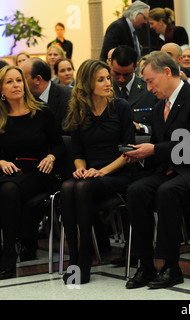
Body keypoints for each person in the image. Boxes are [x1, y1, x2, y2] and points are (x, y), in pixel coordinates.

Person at [123, 51, 190, 290]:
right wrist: (138, 156)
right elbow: (159, 150)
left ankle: (171, 265)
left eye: (150, 81)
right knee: (136, 190)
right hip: (172, 169)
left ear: (167, 72)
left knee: (167, 192)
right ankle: (145, 263)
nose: (148, 88)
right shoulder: (160, 107)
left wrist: (153, 149)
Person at [60, 59, 135, 285]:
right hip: (92, 173)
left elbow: (128, 152)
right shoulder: (78, 110)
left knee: (82, 188)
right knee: (67, 186)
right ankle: (74, 257)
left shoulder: (120, 106)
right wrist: (81, 170)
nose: (107, 83)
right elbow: (77, 153)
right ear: (86, 83)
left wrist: (101, 172)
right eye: (100, 80)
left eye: (107, 78)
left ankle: (83, 260)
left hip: (118, 171)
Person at [0, 65, 64, 279]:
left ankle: (8, 256)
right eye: (9, 81)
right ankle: (21, 241)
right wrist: (0, 161)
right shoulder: (0, 116)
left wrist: (51, 157)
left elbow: (58, 145)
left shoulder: (41, 111)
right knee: (7, 188)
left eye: (18, 80)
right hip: (8, 171)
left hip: (37, 171)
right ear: (1, 88)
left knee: (8, 191)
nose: (16, 85)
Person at [110, 45, 158, 136]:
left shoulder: (150, 90)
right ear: (110, 65)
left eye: (126, 74)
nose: (121, 79)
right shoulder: (104, 90)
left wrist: (141, 128)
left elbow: (162, 129)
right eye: (116, 74)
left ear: (136, 66)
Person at [21, 57, 73, 135]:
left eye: (22, 79)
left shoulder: (69, 96)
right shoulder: (22, 100)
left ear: (38, 79)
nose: (19, 84)